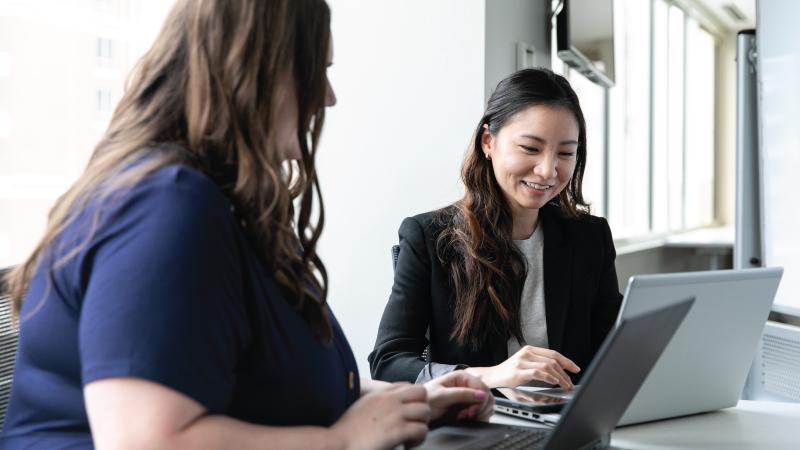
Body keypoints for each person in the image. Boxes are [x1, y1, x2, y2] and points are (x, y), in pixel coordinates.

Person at [0, 1, 493, 448]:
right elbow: (146, 441)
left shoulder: (218, 202)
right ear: (253, 71)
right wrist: (341, 442)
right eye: (315, 71)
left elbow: (262, 386)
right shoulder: (164, 206)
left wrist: (406, 402)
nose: (328, 97)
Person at [369, 68, 623, 390]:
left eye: (565, 153)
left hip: (566, 419)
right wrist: (490, 375)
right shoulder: (430, 237)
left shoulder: (589, 238)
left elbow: (613, 350)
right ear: (488, 142)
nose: (548, 170)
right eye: (530, 149)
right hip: (478, 421)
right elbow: (388, 363)